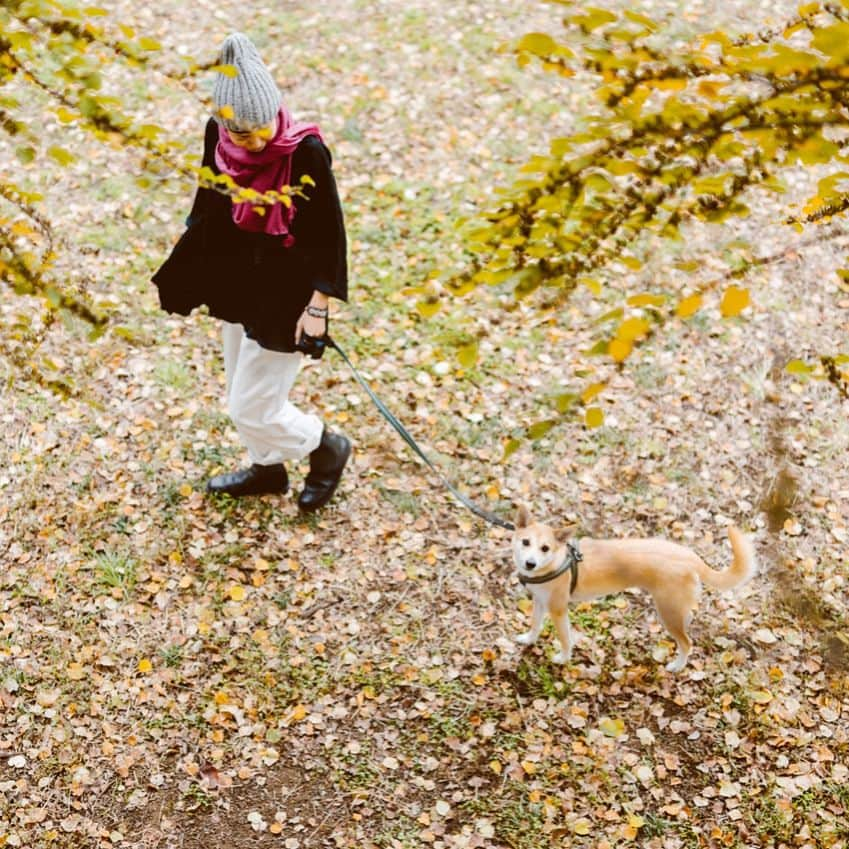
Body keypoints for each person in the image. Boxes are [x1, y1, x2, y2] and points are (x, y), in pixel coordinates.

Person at [152, 32, 351, 511]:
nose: (258, 140)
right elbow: (208, 203)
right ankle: (266, 469)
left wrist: (318, 306)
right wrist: (188, 270)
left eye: (262, 127)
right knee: (237, 383)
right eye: (242, 133)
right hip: (238, 282)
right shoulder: (214, 135)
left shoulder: (304, 151)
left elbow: (329, 233)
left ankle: (327, 447)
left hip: (288, 292)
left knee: (252, 404)